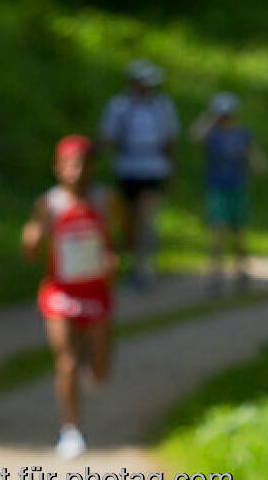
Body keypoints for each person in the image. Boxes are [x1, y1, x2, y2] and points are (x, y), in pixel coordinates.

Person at [21, 135, 115, 459]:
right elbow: (32, 247)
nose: (78, 171)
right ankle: (71, 429)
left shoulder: (105, 200)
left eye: (85, 163)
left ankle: (90, 365)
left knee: (100, 370)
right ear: (58, 168)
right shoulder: (50, 204)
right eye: (72, 163)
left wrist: (113, 259)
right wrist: (32, 240)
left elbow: (121, 238)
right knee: (66, 359)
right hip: (60, 292)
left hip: (97, 292)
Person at [98, 58, 179, 289]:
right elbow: (108, 137)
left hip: (153, 170)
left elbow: (170, 141)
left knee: (147, 217)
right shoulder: (119, 106)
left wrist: (171, 171)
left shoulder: (162, 106)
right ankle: (132, 265)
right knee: (129, 222)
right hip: (127, 169)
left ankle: (146, 268)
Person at [190, 91, 266, 293]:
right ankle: (216, 275)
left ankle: (241, 271)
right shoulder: (213, 135)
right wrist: (210, 117)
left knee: (238, 234)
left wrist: (254, 162)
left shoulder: (243, 135)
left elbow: (257, 161)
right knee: (217, 232)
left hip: (237, 188)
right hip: (217, 189)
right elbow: (195, 135)